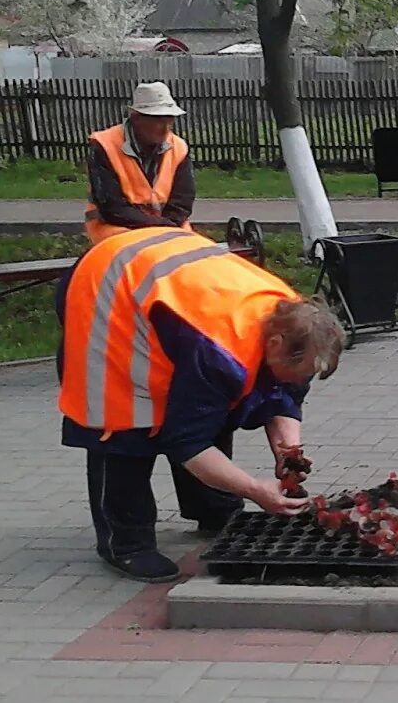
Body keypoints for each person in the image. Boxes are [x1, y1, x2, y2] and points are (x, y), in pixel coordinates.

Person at [56, 227, 345, 582]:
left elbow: (284, 396)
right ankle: (126, 543)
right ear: (276, 343)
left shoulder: (301, 326)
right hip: (108, 283)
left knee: (214, 407)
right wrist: (253, 489)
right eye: (295, 371)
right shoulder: (219, 352)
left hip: (165, 281)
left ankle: (211, 508)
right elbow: (188, 441)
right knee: (125, 424)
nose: (297, 380)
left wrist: (289, 452)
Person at [85, 81, 196, 244]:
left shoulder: (178, 147)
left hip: (169, 229)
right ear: (136, 118)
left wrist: (165, 229)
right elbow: (112, 208)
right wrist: (160, 228)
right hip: (117, 231)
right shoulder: (105, 145)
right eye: (158, 120)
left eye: (169, 120)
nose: (165, 128)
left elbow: (182, 203)